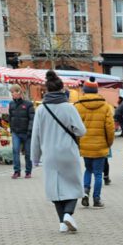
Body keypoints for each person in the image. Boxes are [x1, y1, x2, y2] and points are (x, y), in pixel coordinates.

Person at [30, 70, 86, 233]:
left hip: (49, 154)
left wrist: (35, 157)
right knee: (74, 185)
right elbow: (81, 131)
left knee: (54, 188)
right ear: (62, 89)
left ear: (46, 90)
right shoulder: (69, 108)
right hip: (68, 152)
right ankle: (68, 214)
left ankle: (62, 222)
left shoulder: (41, 110)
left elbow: (36, 136)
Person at [75, 82, 115, 208]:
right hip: (100, 145)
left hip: (85, 145)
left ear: (85, 91)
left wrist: (78, 143)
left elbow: (74, 127)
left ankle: (85, 191)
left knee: (88, 169)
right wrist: (109, 143)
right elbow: (110, 127)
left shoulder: (78, 106)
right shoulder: (105, 106)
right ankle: (96, 199)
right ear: (97, 91)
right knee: (98, 173)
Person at [8, 84, 35, 179]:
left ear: (19, 92)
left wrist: (30, 130)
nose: (12, 94)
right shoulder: (11, 104)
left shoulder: (28, 104)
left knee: (28, 153)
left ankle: (28, 171)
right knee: (15, 151)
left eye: (13, 92)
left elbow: (32, 119)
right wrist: (11, 128)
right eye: (11, 92)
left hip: (27, 133)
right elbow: (10, 117)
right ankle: (17, 171)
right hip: (16, 132)